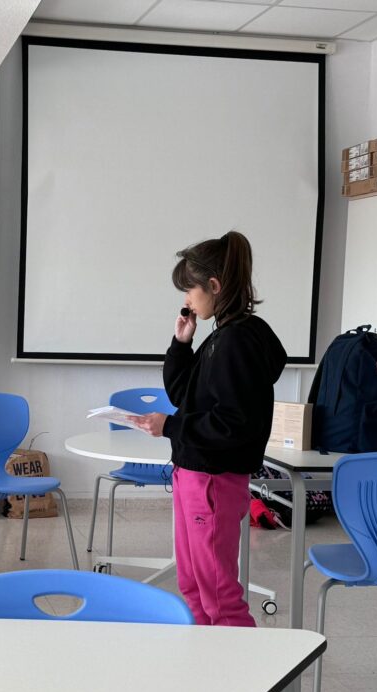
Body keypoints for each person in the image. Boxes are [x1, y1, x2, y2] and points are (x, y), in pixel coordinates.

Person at [134, 232, 286, 628]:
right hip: (194, 471)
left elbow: (234, 423)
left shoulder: (237, 342)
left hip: (213, 479)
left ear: (214, 286)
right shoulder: (221, 335)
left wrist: (170, 426)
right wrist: (181, 344)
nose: (187, 299)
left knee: (218, 595)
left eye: (190, 289)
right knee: (193, 586)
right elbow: (183, 394)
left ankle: (239, 666)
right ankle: (205, 658)